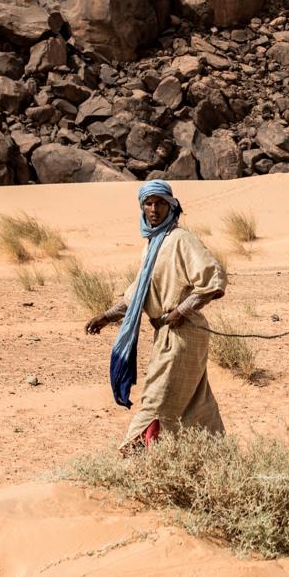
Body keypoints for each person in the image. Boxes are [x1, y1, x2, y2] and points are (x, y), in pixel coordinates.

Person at [85, 180, 227, 451]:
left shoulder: (180, 239)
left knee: (155, 399)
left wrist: (180, 310)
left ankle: (135, 456)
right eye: (148, 203)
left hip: (184, 334)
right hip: (165, 334)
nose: (153, 209)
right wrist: (106, 316)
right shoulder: (153, 244)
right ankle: (211, 456)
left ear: (171, 206)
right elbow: (137, 295)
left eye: (160, 203)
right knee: (194, 400)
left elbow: (213, 279)